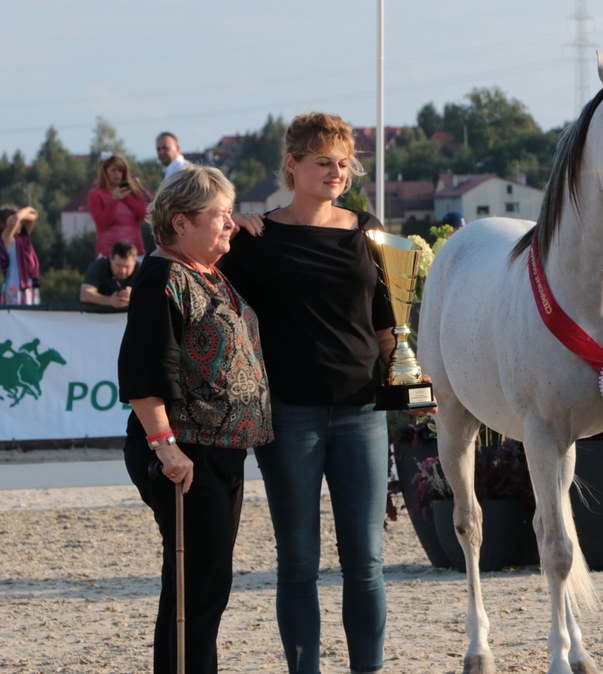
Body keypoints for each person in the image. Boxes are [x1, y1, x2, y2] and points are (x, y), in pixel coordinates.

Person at [220, 111, 396, 674]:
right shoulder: (255, 239)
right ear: (292, 166)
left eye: (344, 163)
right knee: (298, 561)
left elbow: (388, 328)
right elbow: (205, 287)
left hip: (362, 413)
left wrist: (410, 386)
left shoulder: (367, 229)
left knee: (365, 562)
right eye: (324, 162)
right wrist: (231, 224)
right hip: (288, 415)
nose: (336, 172)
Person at [118, 165, 272, 674]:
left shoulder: (206, 270)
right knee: (195, 591)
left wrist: (240, 221)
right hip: (185, 454)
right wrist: (166, 449)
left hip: (217, 453)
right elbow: (143, 372)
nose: (229, 225)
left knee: (206, 587)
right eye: (219, 216)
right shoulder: (163, 275)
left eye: (231, 215)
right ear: (180, 223)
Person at [89, 154, 149, 258]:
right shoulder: (96, 194)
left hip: (134, 252)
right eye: (113, 170)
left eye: (120, 170)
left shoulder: (134, 192)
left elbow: (143, 215)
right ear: (105, 172)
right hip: (108, 254)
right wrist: (114, 201)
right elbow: (102, 224)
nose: (117, 174)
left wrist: (126, 197)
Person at [80, 239, 140, 312]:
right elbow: (85, 294)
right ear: (111, 259)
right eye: (118, 265)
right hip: (100, 319)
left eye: (127, 266)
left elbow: (154, 296)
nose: (122, 271)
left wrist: (135, 296)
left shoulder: (143, 270)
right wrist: (110, 301)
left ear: (135, 262)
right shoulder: (99, 266)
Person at [1, 205, 41, 305]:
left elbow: (33, 217)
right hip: (14, 287)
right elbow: (16, 219)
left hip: (28, 285)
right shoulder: (5, 237)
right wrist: (21, 214)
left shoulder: (23, 238)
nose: (19, 225)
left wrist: (30, 209)